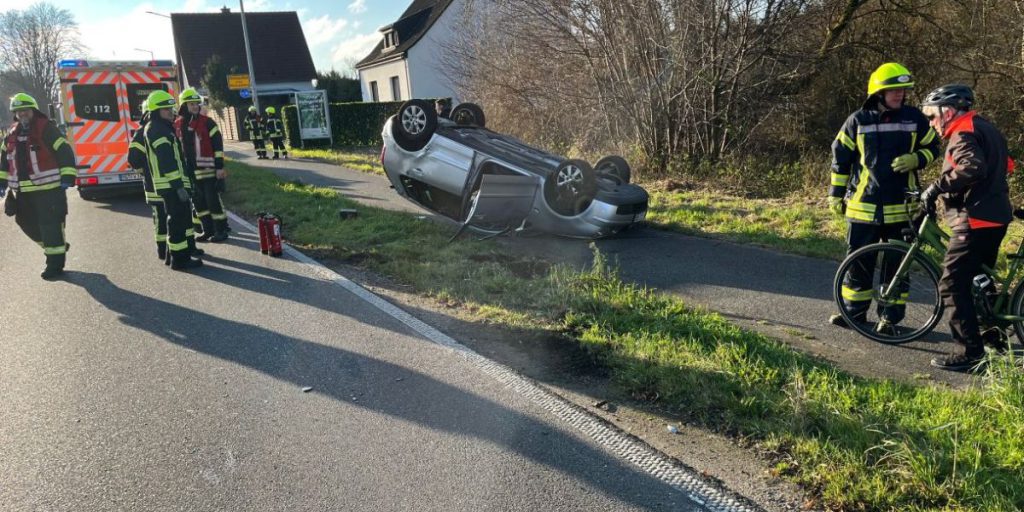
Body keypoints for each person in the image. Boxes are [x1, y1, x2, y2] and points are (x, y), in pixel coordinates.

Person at [828, 63, 941, 334]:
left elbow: (934, 146)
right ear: (878, 93)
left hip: (902, 208)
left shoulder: (914, 118)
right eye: (893, 90)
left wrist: (918, 158)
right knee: (858, 265)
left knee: (897, 267)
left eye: (903, 90)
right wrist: (835, 195)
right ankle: (853, 314)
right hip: (863, 207)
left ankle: (889, 320)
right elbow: (840, 160)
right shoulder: (857, 121)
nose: (899, 94)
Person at [918, 84, 1013, 371]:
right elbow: (1007, 165)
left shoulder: (963, 132)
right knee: (979, 281)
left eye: (932, 116)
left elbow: (972, 167)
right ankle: (993, 337)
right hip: (995, 216)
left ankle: (969, 354)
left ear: (947, 112)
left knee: (952, 284)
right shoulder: (985, 127)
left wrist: (936, 187)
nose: (931, 123)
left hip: (974, 219)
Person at [0, 93, 78, 279]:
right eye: (18, 111)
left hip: (49, 190)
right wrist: (2, 182)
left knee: (50, 226)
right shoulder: (11, 134)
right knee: (24, 223)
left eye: (25, 110)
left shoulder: (46, 128)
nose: (22, 113)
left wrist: (68, 176)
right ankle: (57, 246)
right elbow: (4, 160)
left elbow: (64, 151)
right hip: (23, 193)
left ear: (33, 110)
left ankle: (54, 266)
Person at [143, 90, 202, 271]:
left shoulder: (161, 127)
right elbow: (167, 161)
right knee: (177, 222)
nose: (170, 111)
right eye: (165, 109)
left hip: (172, 184)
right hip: (171, 185)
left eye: (171, 108)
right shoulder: (158, 130)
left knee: (177, 220)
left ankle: (173, 256)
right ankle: (180, 260)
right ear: (155, 111)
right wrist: (178, 186)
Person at [175, 88, 228, 243]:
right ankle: (207, 230)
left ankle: (221, 230)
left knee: (212, 201)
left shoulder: (208, 122)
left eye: (196, 104)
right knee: (199, 203)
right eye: (191, 104)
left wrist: (219, 167)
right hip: (190, 172)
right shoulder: (178, 125)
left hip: (208, 171)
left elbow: (218, 146)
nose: (195, 106)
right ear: (184, 106)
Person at [128, 99, 169, 261]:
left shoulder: (162, 128)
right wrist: (146, 171)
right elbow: (133, 159)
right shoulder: (143, 133)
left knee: (170, 218)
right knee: (161, 219)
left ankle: (174, 249)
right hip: (155, 186)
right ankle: (162, 250)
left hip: (166, 184)